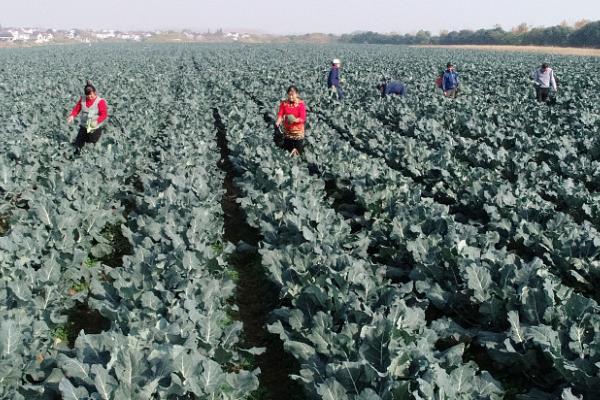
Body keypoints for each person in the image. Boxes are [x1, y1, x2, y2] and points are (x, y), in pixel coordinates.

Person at [67, 80, 108, 151]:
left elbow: (104, 114)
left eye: (91, 95)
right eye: (88, 95)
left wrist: (97, 121)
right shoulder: (82, 99)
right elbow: (77, 108)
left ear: (95, 92)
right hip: (84, 126)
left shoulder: (100, 101)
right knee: (78, 144)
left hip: (94, 128)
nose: (90, 97)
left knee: (90, 147)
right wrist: (72, 116)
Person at [275, 85, 306, 156]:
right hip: (287, 133)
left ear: (297, 94)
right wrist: (278, 122)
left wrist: (294, 120)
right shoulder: (284, 103)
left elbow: (302, 118)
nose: (291, 97)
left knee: (297, 153)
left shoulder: (301, 104)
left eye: (293, 95)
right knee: (287, 152)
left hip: (298, 134)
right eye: (289, 95)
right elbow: (280, 114)